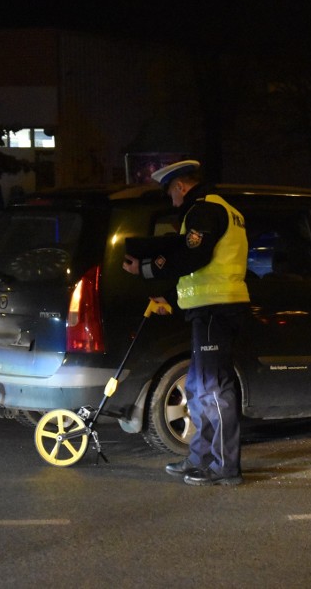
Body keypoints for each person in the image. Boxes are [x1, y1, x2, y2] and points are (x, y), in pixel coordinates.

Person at [122, 159, 250, 486]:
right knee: (197, 386)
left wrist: (148, 269)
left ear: (180, 186)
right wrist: (170, 295)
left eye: (171, 193)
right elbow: (198, 268)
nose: (172, 200)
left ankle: (224, 467)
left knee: (212, 388)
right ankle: (201, 458)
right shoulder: (221, 210)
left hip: (215, 310)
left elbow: (193, 256)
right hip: (210, 308)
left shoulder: (204, 210)